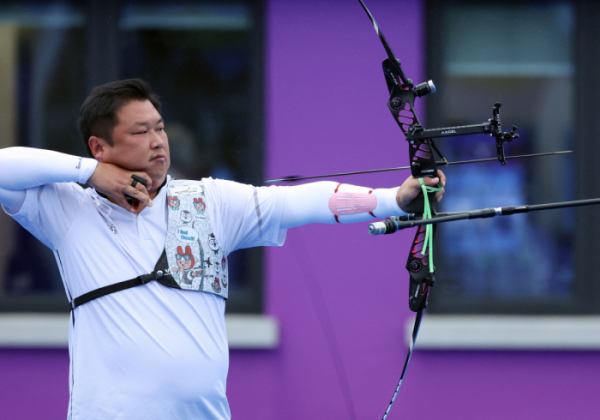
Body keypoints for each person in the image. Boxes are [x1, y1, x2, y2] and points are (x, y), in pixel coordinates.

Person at [0, 79, 446, 419]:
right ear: (100, 146)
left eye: (160, 128)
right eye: (141, 132)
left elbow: (296, 200)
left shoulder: (206, 201)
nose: (158, 141)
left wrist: (393, 198)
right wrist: (91, 174)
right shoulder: (67, 208)